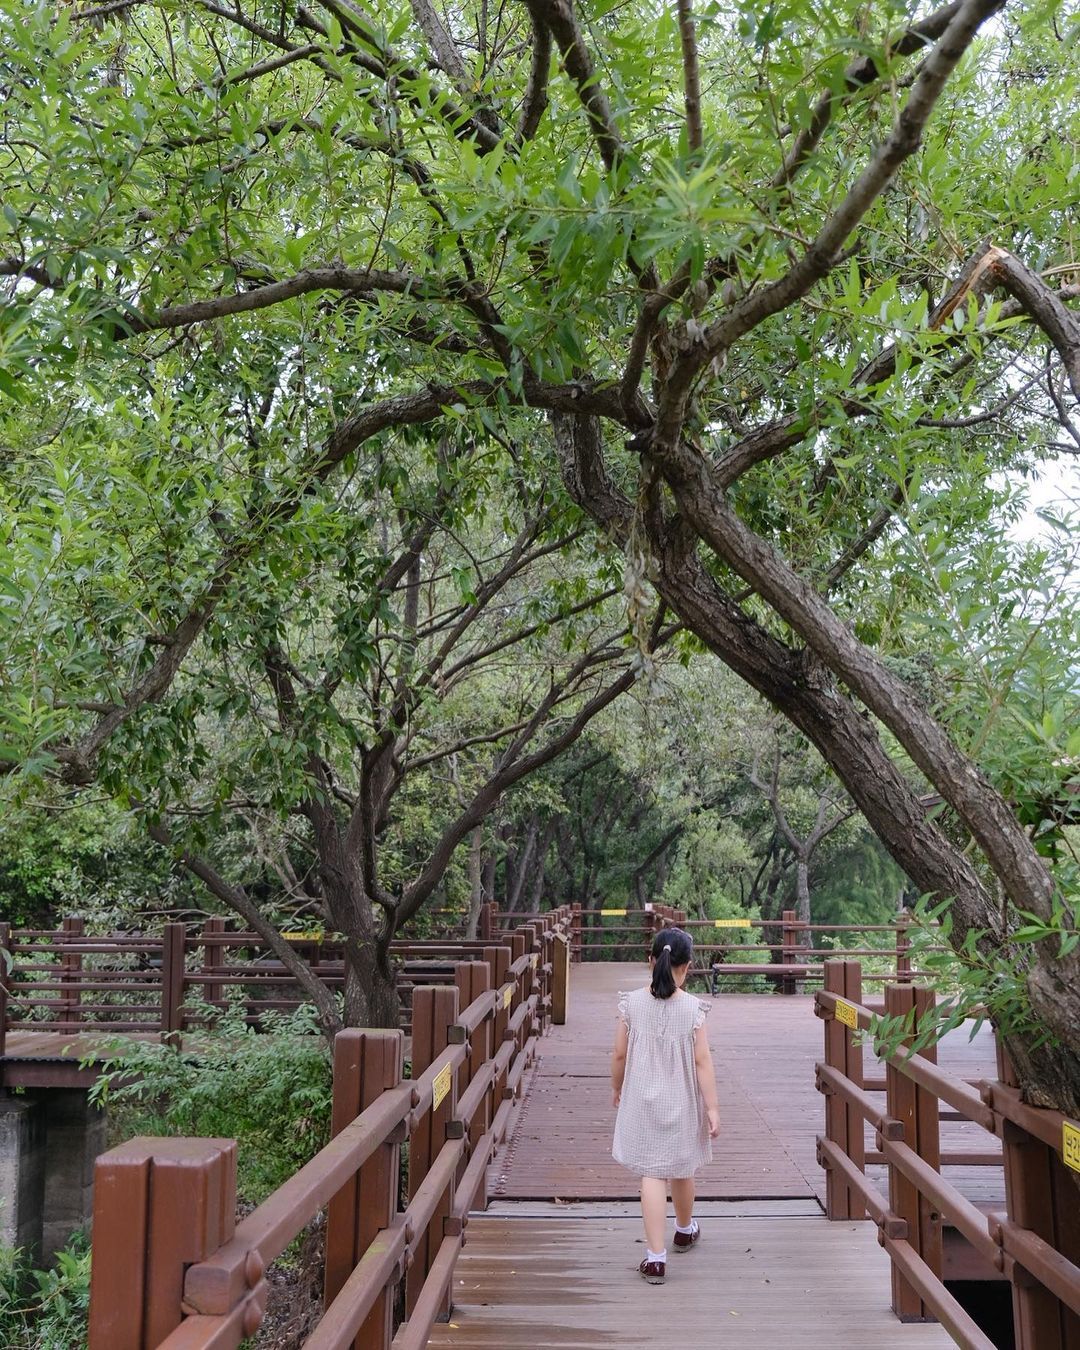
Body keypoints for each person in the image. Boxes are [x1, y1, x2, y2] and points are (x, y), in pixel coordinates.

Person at [611, 925, 720, 1285]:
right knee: (682, 1164)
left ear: (650, 961)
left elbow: (619, 1054)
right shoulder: (692, 1009)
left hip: (641, 1098)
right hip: (681, 1098)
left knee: (652, 1174)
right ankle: (685, 1229)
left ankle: (655, 1258)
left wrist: (617, 1088)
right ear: (687, 967)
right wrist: (713, 1107)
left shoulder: (631, 1004)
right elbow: (703, 1061)